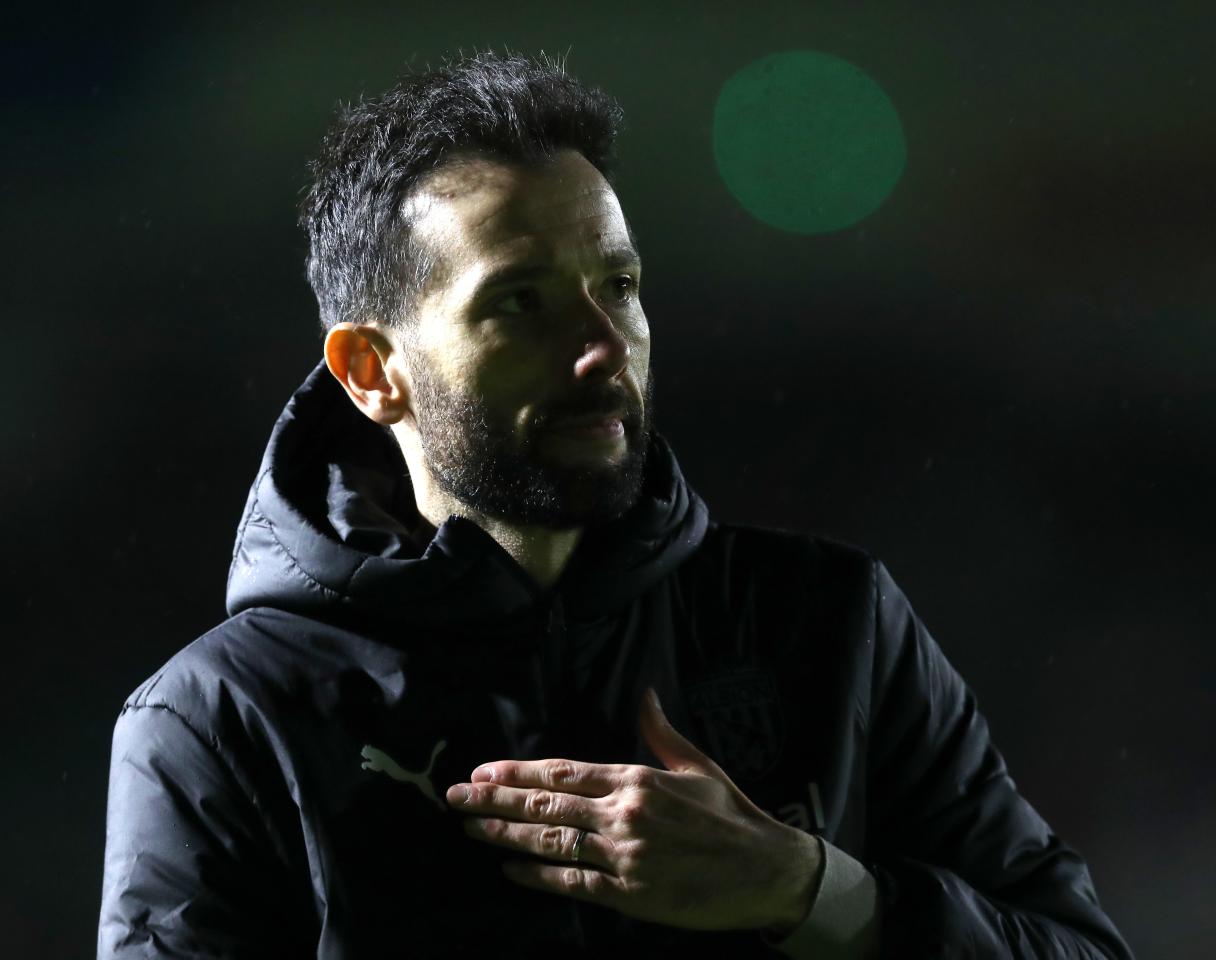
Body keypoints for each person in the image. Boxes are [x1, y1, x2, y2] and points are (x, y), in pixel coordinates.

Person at [97, 50, 1133, 959]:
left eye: (620, 285)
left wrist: (807, 891)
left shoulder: (833, 622)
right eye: (520, 302)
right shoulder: (222, 721)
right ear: (372, 371)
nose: (602, 347)